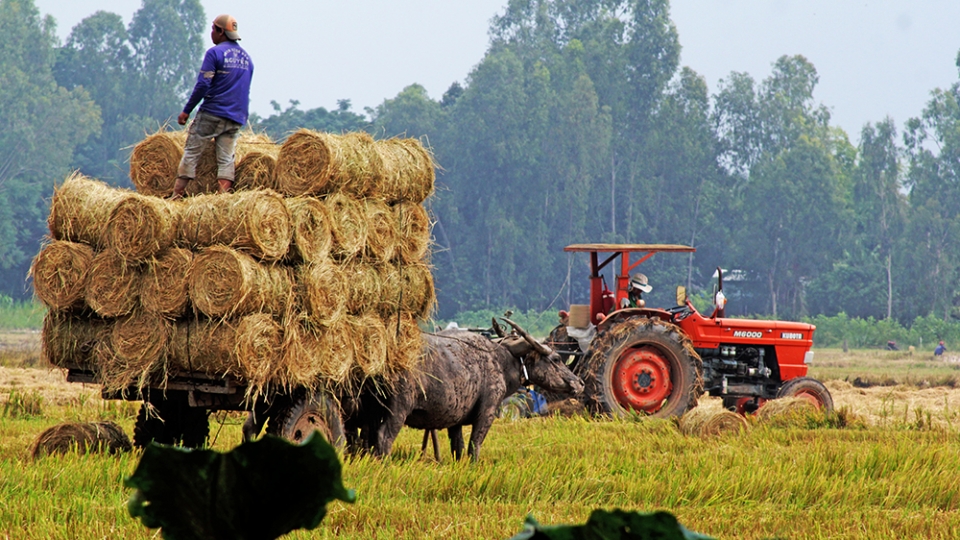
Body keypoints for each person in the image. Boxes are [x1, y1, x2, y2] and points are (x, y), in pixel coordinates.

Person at [170, 14, 254, 200]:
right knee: (226, 158)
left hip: (213, 112)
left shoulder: (214, 53)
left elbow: (203, 84)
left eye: (213, 29)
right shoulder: (247, 59)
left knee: (192, 151)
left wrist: (187, 110)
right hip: (236, 116)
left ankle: (176, 196)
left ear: (220, 31)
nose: (211, 33)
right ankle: (222, 200)